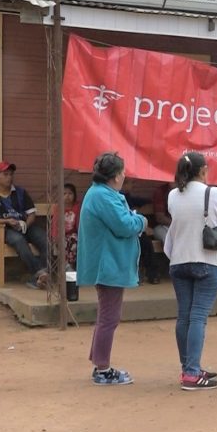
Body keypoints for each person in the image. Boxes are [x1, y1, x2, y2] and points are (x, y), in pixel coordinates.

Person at [165, 152, 217, 391]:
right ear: (204, 170)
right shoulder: (214, 193)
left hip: (178, 261)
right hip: (208, 260)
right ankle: (192, 374)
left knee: (184, 316)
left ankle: (188, 368)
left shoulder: (173, 195)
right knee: (198, 317)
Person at [76, 152, 147, 386]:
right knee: (109, 317)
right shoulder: (103, 197)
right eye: (123, 171)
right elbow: (125, 225)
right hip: (108, 265)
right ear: (115, 176)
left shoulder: (102, 193)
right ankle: (103, 369)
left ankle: (99, 360)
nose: (125, 175)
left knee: (106, 315)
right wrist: (141, 221)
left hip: (108, 263)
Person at [0, 161, 49, 289]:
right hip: (6, 230)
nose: (9, 177)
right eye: (5, 174)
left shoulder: (20, 192)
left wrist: (25, 224)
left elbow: (31, 213)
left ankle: (41, 276)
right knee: (18, 240)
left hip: (25, 226)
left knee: (44, 239)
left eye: (11, 174)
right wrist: (7, 221)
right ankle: (40, 274)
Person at [50, 183, 81, 270]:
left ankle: (69, 265)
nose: (67, 196)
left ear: (74, 195)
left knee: (74, 240)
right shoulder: (58, 208)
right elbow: (55, 224)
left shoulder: (77, 207)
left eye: (70, 194)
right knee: (65, 243)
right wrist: (55, 238)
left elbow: (79, 223)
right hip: (61, 236)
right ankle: (67, 266)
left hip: (74, 235)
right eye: (64, 194)